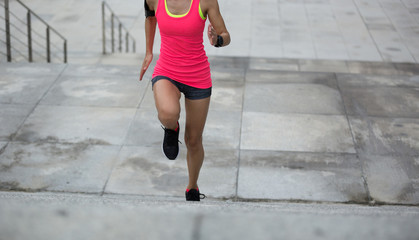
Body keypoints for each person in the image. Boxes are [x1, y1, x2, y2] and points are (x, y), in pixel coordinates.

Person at [139, 0, 230, 201]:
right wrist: (148, 51)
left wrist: (217, 40)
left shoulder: (205, 2)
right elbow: (150, 17)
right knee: (168, 113)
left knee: (194, 141)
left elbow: (226, 35)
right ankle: (171, 129)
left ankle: (192, 187)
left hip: (197, 76)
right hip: (167, 70)